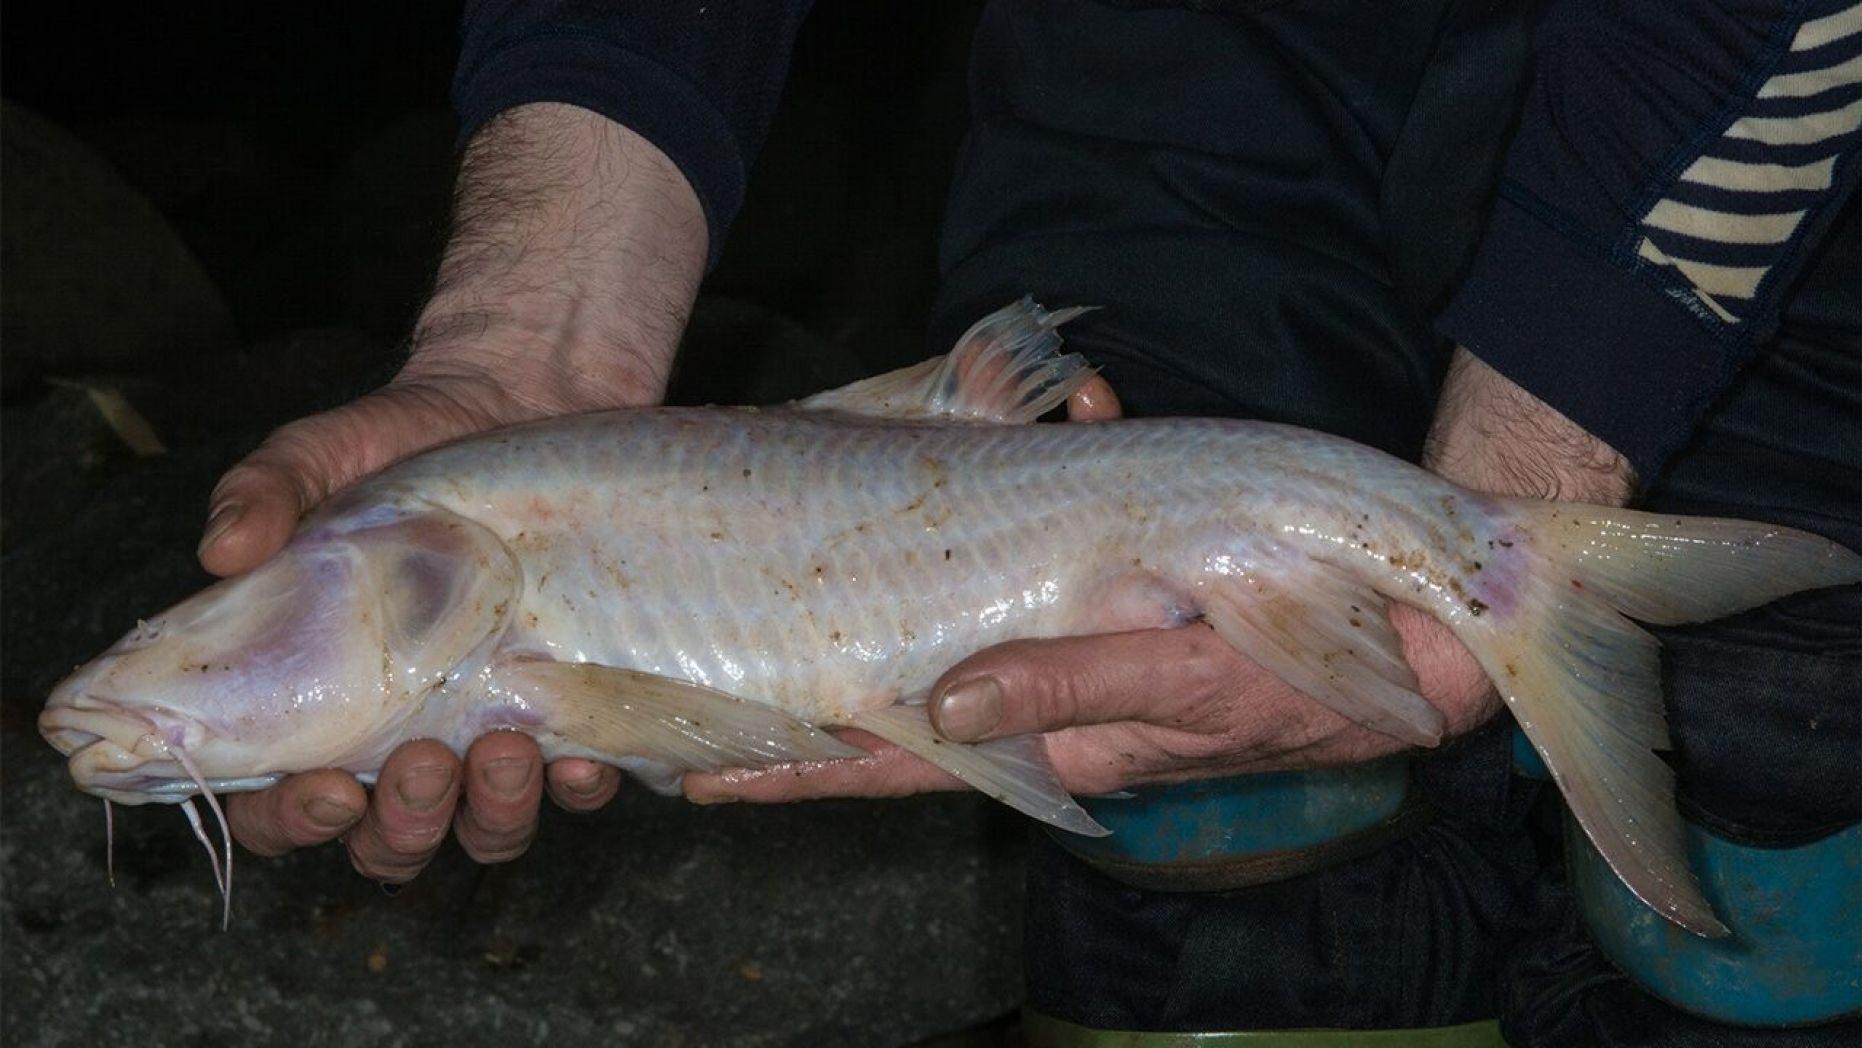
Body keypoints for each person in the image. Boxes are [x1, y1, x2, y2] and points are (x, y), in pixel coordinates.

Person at [209, 1, 1861, 1043]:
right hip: (1178, 56)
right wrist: (535, 348)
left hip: (1748, 65)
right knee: (1164, 757)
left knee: (1763, 737)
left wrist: (1513, 499)